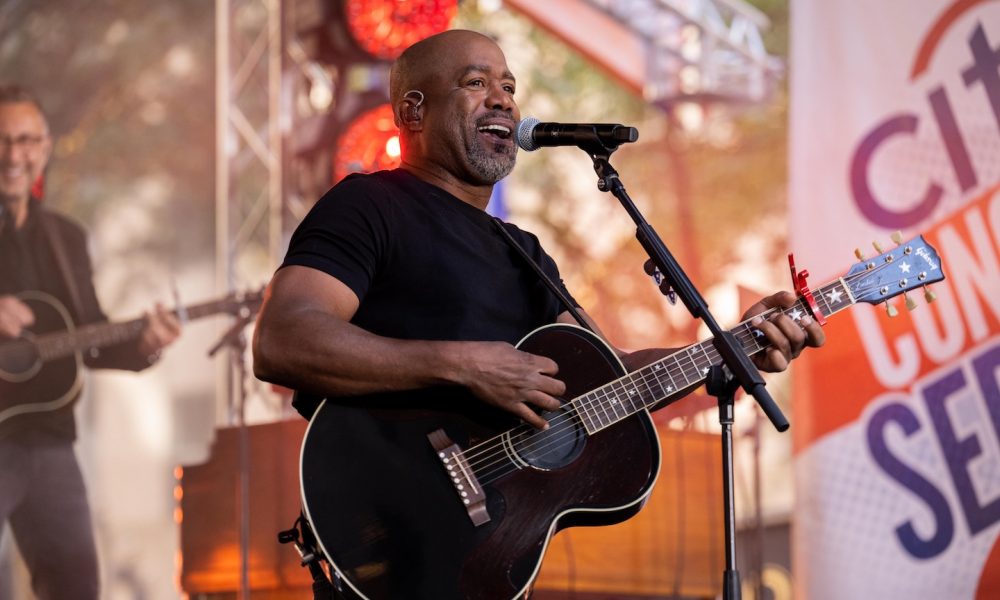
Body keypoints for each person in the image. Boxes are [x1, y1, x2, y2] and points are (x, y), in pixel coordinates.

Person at [252, 29, 824, 595]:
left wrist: (735, 348)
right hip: (387, 520)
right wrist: (465, 366)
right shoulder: (370, 206)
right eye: (476, 83)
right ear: (413, 111)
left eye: (508, 85)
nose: (502, 99)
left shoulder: (522, 250)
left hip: (484, 560)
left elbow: (617, 381)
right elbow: (283, 340)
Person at [0, 85, 181, 600]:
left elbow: (91, 336)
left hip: (51, 441)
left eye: (25, 141)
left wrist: (146, 344)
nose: (14, 155)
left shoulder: (65, 238)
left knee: (76, 588)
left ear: (45, 147)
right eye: (3, 141)